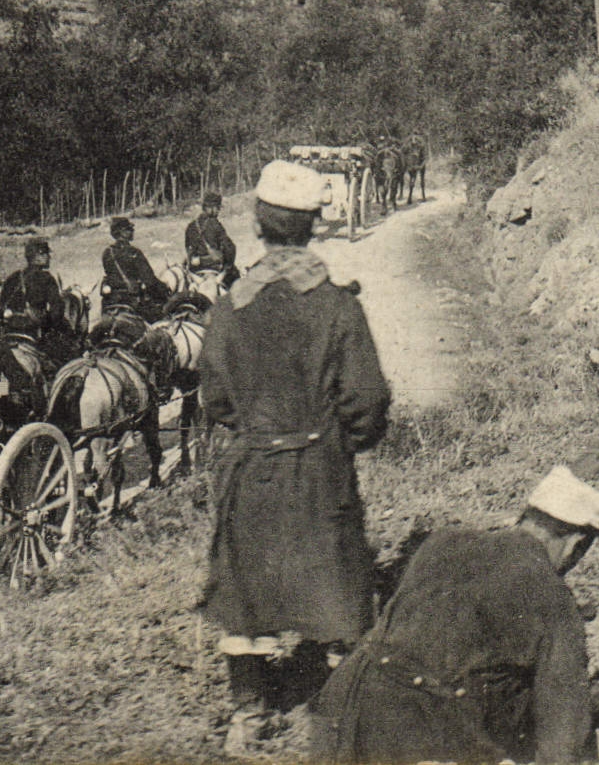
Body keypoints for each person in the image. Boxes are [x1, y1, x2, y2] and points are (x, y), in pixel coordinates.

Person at [200, 160, 391, 754]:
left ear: (259, 224)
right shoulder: (336, 305)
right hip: (318, 464)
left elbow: (215, 398)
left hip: (251, 467)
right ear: (313, 225)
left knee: (246, 591)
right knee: (334, 584)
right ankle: (337, 716)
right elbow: (367, 399)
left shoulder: (231, 306)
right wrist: (341, 441)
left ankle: (248, 714)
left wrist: (257, 430)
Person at [312, 466, 599, 764]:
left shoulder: (442, 542)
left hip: (343, 708)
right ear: (576, 544)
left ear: (526, 515)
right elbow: (562, 723)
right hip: (418, 735)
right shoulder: (552, 595)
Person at [101, 216, 171, 321]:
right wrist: (164, 288)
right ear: (122, 232)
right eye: (129, 229)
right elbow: (149, 280)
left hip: (112, 300)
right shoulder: (134, 252)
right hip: (133, 300)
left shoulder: (107, 253)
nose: (133, 231)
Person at [0, 238, 68, 340]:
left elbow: (1, 306)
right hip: (33, 332)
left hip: (10, 330)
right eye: (46, 254)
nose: (49, 257)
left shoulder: (13, 277)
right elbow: (57, 312)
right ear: (38, 256)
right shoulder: (46, 278)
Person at [186, 191, 240, 287]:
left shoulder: (191, 226)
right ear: (211, 208)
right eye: (217, 208)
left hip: (195, 270)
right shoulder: (216, 225)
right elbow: (230, 249)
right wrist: (228, 265)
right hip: (214, 268)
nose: (218, 211)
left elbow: (188, 248)